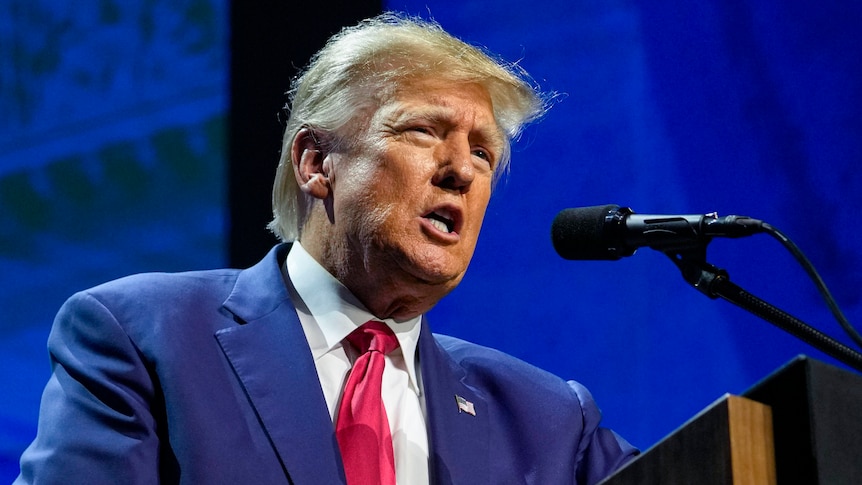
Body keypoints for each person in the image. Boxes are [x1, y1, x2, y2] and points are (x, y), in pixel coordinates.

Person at [16, 12, 637, 485]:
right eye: (425, 131)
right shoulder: (144, 336)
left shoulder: (547, 420)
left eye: (483, 153)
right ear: (317, 162)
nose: (462, 171)